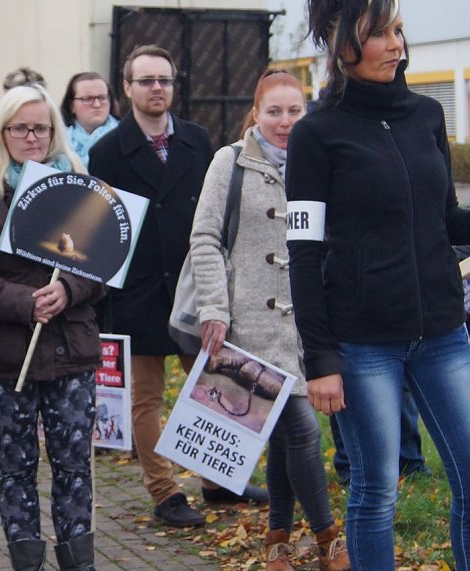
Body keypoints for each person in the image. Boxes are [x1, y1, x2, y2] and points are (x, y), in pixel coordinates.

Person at [287, 1, 470, 568]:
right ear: (343, 44)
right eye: (380, 34)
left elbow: (446, 219)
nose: (396, 45)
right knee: (376, 492)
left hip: (443, 332)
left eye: (398, 32)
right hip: (363, 346)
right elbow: (303, 255)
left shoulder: (425, 116)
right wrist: (320, 359)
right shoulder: (315, 135)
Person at [89, 45, 263, 528]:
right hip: (138, 291)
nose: (156, 88)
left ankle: (217, 481)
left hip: (192, 288)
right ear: (127, 88)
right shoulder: (107, 151)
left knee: (214, 388)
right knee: (146, 398)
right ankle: (164, 492)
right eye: (145, 81)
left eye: (163, 80)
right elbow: (104, 230)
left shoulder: (196, 138)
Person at [190, 69, 350, 571]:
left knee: (283, 435)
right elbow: (205, 238)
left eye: (294, 110)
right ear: (255, 114)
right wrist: (214, 307)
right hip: (248, 325)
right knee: (300, 428)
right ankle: (327, 536)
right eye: (274, 111)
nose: (285, 121)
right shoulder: (229, 161)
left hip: (305, 324)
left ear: (306, 112)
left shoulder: (317, 159)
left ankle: (277, 535)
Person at [0, 84, 104, 571]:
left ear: (54, 130)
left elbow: (103, 267)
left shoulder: (79, 185)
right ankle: (26, 561)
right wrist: (24, 301)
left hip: (70, 347)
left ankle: (80, 561)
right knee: (17, 466)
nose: (32, 137)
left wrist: (70, 290)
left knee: (74, 464)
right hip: (5, 352)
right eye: (20, 128)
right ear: (3, 132)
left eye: (41, 127)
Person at [60, 72, 119, 167]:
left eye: (102, 98)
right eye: (87, 99)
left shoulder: (126, 137)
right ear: (71, 105)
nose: (97, 104)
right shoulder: (58, 142)